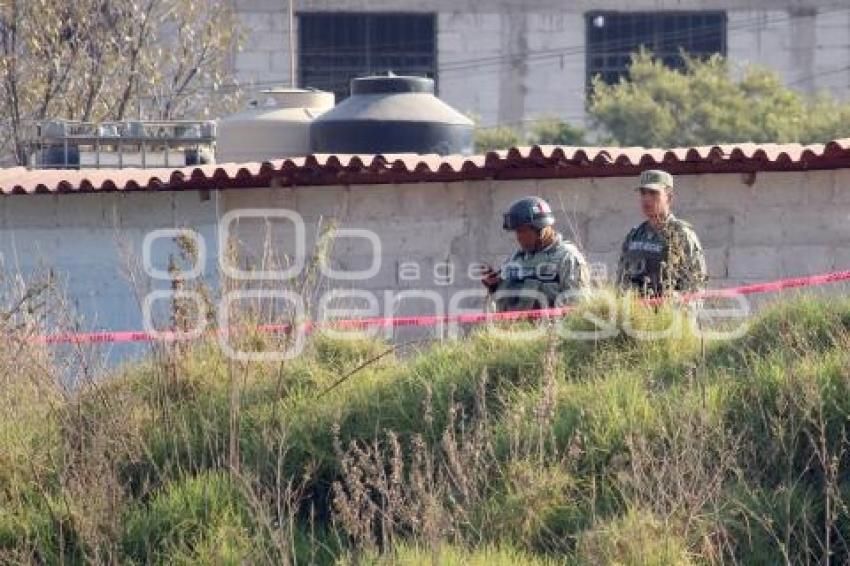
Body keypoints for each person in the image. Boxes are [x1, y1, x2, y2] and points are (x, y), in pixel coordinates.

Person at [481, 196, 588, 312]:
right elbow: (502, 304)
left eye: (523, 231)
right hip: (515, 329)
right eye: (517, 232)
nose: (519, 237)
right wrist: (494, 286)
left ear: (541, 228)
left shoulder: (567, 258)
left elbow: (578, 306)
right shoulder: (516, 259)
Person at [616, 170, 707, 297]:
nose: (646, 199)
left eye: (654, 193)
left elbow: (696, 284)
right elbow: (621, 281)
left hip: (668, 313)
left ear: (669, 198)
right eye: (643, 193)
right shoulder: (635, 235)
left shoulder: (681, 234)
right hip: (634, 313)